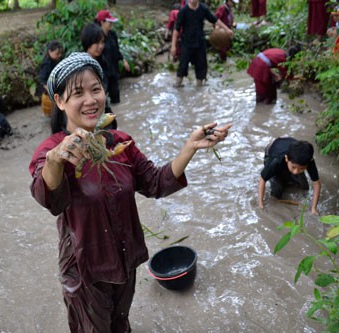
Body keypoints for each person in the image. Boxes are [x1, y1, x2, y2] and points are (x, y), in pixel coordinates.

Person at [29, 52, 231, 332]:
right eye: (78, 93)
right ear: (60, 101)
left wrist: (190, 147)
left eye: (96, 89)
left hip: (125, 259)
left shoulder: (120, 143)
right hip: (85, 269)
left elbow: (155, 182)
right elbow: (47, 195)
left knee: (121, 324)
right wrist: (55, 160)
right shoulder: (52, 151)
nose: (90, 100)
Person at [170, 0, 233, 87]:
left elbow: (215, 20)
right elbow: (176, 29)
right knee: (183, 65)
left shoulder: (203, 9)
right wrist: (173, 46)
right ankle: (177, 85)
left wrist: (227, 29)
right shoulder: (183, 11)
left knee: (201, 66)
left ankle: (199, 88)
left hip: (200, 43)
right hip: (186, 43)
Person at [258, 137, 321, 215]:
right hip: (272, 149)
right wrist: (260, 204)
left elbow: (316, 183)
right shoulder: (276, 160)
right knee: (276, 191)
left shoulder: (308, 160)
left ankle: (289, 173)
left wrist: (314, 208)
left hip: (291, 148)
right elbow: (262, 179)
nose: (296, 171)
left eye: (301, 169)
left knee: (304, 187)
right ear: (287, 158)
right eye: (293, 167)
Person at [81, 22, 117, 130]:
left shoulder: (102, 60)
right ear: (88, 42)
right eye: (96, 43)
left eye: (102, 42)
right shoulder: (82, 66)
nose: (100, 46)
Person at [95, 10, 130, 104]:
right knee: (102, 99)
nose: (111, 24)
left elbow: (116, 50)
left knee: (116, 98)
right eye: (109, 22)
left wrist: (123, 60)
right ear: (102, 22)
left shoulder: (112, 35)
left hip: (113, 71)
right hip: (102, 73)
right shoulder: (95, 37)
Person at [37, 40, 64, 116]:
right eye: (57, 53)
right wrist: (50, 91)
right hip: (49, 89)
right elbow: (42, 80)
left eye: (60, 53)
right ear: (49, 51)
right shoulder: (46, 64)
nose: (59, 55)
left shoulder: (57, 59)